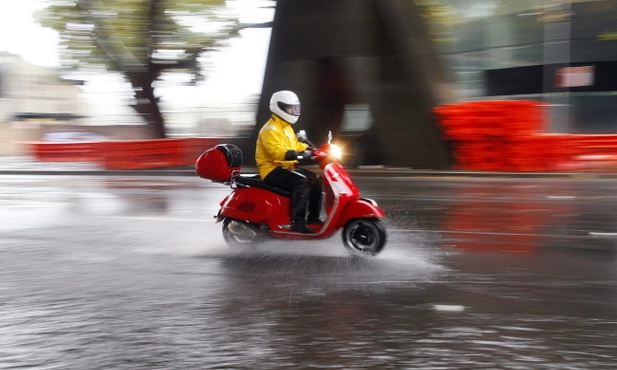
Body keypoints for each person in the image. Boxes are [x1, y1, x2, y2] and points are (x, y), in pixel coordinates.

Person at [255, 90, 322, 233]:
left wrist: (313, 150)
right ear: (279, 107)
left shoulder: (286, 128)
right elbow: (277, 152)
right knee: (301, 182)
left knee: (316, 180)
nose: (293, 111)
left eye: (295, 108)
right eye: (290, 108)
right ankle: (297, 222)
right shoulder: (270, 130)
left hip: (286, 167)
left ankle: (313, 218)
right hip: (271, 170)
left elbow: (296, 145)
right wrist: (297, 154)